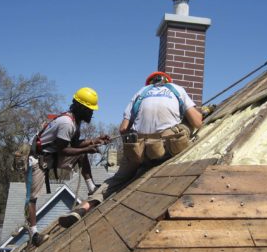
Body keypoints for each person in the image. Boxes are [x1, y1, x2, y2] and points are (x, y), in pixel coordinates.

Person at [58, 71, 202, 228]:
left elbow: (123, 129)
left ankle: (83, 208)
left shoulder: (140, 93)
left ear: (150, 83)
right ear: (167, 81)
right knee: (187, 123)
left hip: (139, 151)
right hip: (166, 148)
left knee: (115, 180)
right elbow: (197, 122)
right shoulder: (176, 89)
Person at [23, 87, 110, 246]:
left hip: (53, 156)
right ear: (81, 108)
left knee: (81, 153)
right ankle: (34, 233)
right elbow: (63, 149)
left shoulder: (75, 122)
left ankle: (91, 187)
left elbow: (75, 144)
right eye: (90, 110)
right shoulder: (67, 123)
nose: (92, 113)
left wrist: (95, 140)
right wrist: (86, 149)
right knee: (32, 198)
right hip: (38, 159)